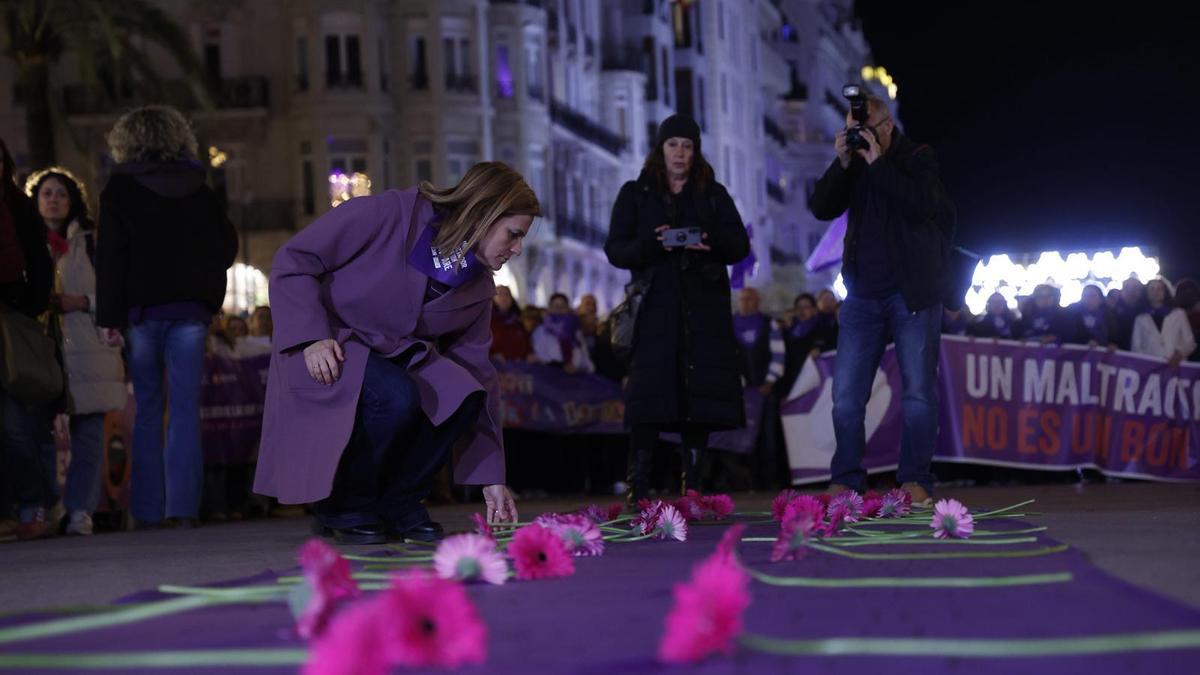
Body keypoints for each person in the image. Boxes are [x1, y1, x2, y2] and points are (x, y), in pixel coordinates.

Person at [254, 161, 536, 544]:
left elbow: (480, 372)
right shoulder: (387, 213)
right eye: (513, 235)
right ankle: (344, 505)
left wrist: (492, 477)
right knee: (395, 394)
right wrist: (310, 336)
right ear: (483, 213)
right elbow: (294, 260)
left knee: (466, 394)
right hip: (331, 342)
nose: (517, 249)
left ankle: (399, 502)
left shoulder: (478, 286)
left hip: (395, 358)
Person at [95, 105, 239, 528]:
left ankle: (147, 510)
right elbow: (225, 247)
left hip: (142, 315)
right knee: (185, 411)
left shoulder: (119, 190)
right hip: (190, 313)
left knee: (147, 409)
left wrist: (109, 317)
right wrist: (205, 293)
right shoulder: (199, 187)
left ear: (127, 140)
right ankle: (183, 508)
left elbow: (110, 259)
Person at [808, 93, 954, 505]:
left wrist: (878, 163)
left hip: (912, 293)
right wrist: (841, 162)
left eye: (866, 131)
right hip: (862, 295)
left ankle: (915, 480)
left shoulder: (918, 157)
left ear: (888, 127)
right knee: (846, 396)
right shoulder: (852, 164)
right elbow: (821, 207)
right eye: (852, 132)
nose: (860, 139)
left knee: (918, 392)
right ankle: (846, 480)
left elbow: (921, 206)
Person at [604, 114, 750, 503]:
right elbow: (615, 248)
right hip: (655, 311)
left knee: (698, 402)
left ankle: (693, 489)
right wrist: (653, 245)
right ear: (661, 149)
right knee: (648, 400)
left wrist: (708, 241)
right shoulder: (636, 193)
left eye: (687, 145)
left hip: (703, 313)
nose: (680, 153)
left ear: (696, 150)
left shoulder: (712, 193)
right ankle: (638, 488)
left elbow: (739, 245)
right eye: (673, 145)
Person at [29, 168, 126, 535]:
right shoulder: (25, 241)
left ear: (73, 201)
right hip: (41, 350)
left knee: (89, 436)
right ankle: (48, 504)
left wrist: (82, 301)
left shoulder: (92, 242)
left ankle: (81, 509)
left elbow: (116, 293)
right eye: (46, 193)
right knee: (37, 433)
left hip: (90, 349)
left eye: (61, 193)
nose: (53, 199)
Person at [0, 138, 56, 539]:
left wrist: (29, 304)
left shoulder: (18, 207)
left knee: (15, 424)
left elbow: (38, 263)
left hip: (12, 320)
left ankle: (32, 503)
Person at [1131, 278, 1196, 367]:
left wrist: (1179, 355)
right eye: (1152, 289)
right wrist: (1148, 363)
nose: (1156, 292)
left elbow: (1190, 342)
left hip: (1177, 367)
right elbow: (1136, 347)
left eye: (1159, 289)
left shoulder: (1179, 314)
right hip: (1152, 369)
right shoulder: (1140, 319)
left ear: (1165, 292)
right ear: (1147, 294)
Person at [532, 292, 594, 374]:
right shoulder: (541, 331)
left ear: (567, 309)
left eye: (563, 306)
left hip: (574, 378)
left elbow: (585, 360)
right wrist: (562, 366)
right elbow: (541, 356)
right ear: (550, 309)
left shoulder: (575, 331)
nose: (559, 309)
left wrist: (576, 367)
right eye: (556, 306)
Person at [489, 285, 532, 362]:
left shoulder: (518, 321)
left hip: (521, 363)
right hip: (496, 365)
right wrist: (492, 355)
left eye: (507, 294)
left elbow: (527, 343)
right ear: (493, 298)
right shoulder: (487, 321)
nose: (504, 297)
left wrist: (528, 354)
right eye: (500, 294)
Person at [1111, 277, 1147, 351]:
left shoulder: (1147, 312)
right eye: (1127, 288)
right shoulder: (1111, 312)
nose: (1131, 291)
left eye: (1135, 288)